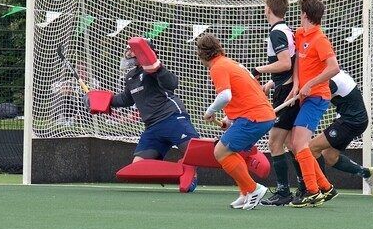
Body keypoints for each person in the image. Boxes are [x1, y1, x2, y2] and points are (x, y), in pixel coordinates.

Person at [107, 39, 200, 192]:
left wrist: (158, 68)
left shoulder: (153, 70)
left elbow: (172, 83)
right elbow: (126, 99)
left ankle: (190, 170)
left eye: (132, 50)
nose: (128, 53)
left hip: (172, 118)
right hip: (152, 127)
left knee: (193, 151)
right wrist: (104, 101)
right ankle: (181, 170)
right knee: (138, 166)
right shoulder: (131, 76)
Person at [196, 33, 275, 210]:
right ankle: (245, 192)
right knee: (232, 151)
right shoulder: (229, 63)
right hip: (260, 116)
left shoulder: (217, 67)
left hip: (254, 117)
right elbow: (244, 94)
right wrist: (229, 119)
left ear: (201, 54)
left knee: (221, 151)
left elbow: (225, 95)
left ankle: (253, 189)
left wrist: (210, 111)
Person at [250, 0, 304, 206]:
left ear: (269, 9)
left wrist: (258, 70)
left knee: (274, 143)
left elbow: (285, 63)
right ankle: (305, 185)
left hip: (287, 92)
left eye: (265, 6)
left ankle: (283, 192)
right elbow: (288, 68)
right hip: (286, 87)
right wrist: (272, 83)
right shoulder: (286, 30)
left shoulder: (276, 33)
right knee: (292, 143)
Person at [287, 0, 340, 207]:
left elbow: (333, 67)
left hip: (317, 97)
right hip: (305, 95)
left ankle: (312, 191)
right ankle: (326, 187)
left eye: (300, 13)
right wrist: (298, 84)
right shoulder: (300, 34)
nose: (299, 16)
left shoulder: (320, 39)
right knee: (294, 144)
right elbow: (299, 62)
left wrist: (311, 84)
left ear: (305, 15)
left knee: (299, 143)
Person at [308, 70, 373, 195]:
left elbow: (317, 102)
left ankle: (323, 188)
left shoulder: (333, 81)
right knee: (330, 157)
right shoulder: (334, 74)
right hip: (354, 120)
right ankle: (368, 173)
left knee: (312, 148)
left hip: (350, 121)